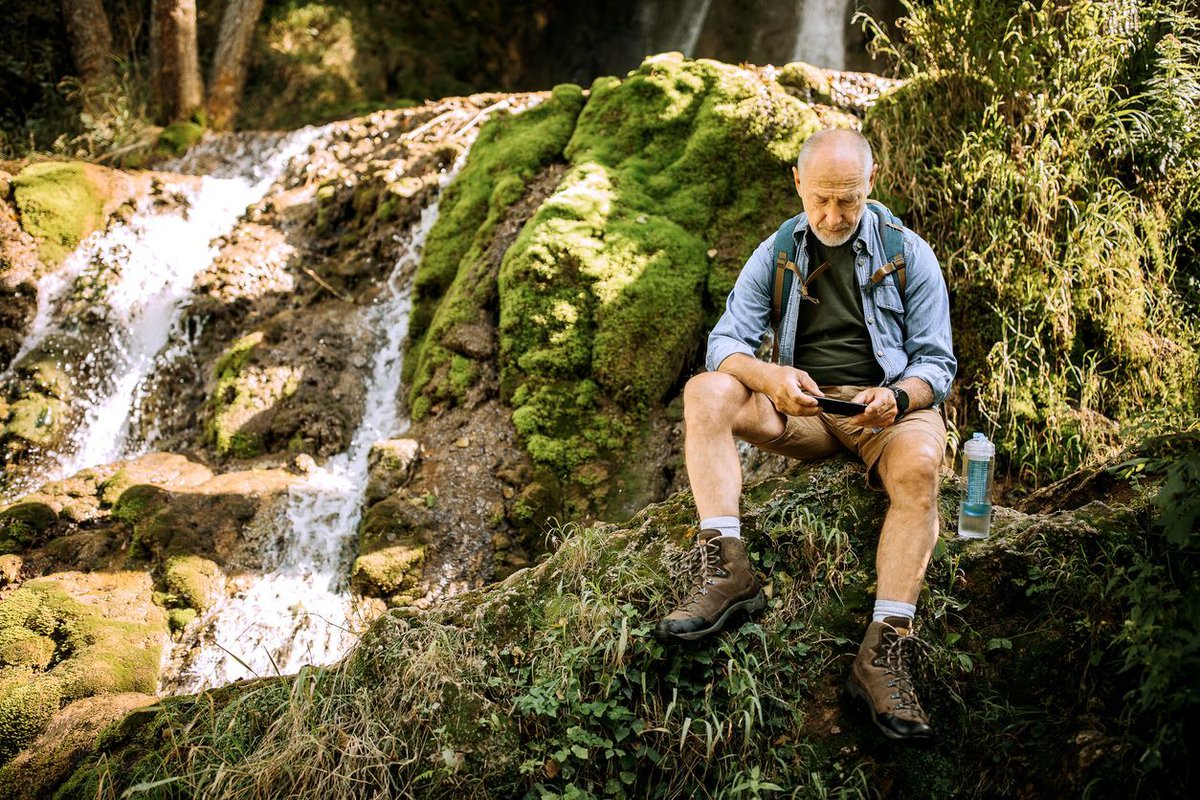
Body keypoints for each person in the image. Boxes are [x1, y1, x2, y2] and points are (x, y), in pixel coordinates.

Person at [654, 128, 956, 743]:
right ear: (797, 184)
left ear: (872, 184)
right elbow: (724, 344)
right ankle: (726, 569)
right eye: (819, 198)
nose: (832, 214)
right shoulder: (776, 251)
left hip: (884, 412)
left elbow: (938, 364)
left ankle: (883, 652)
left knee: (922, 469)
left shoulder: (910, 253)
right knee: (704, 391)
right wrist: (769, 375)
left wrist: (896, 397)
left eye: (846, 200)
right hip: (805, 411)